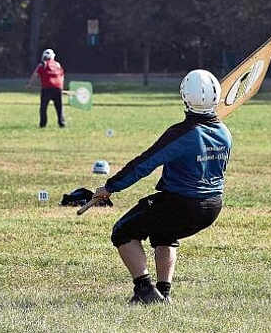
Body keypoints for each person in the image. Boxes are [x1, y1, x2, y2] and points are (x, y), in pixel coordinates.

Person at [90, 69, 232, 305]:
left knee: (123, 231)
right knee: (164, 233)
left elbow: (145, 164)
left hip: (181, 202)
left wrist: (111, 186)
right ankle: (163, 292)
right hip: (212, 206)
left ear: (184, 96)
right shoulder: (225, 133)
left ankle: (145, 290)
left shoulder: (181, 134)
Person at [26, 48, 65, 128]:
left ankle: (43, 124)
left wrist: (30, 84)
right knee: (59, 107)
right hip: (58, 87)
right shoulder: (57, 64)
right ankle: (61, 123)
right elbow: (62, 76)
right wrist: (60, 87)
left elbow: (35, 75)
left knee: (43, 107)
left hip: (47, 88)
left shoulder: (43, 64)